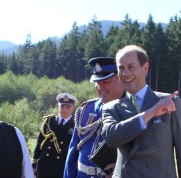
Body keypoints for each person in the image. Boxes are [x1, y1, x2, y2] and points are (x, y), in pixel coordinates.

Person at [101, 45, 181, 178]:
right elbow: (112, 139)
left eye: (131, 67)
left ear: (145, 68)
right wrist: (151, 112)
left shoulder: (170, 101)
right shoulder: (111, 108)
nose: (125, 74)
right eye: (121, 68)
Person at [64, 57, 125, 178]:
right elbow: (72, 154)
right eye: (97, 83)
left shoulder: (132, 111)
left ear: (120, 80)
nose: (100, 87)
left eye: (106, 82)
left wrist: (121, 169)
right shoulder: (86, 110)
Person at [32, 92, 78, 178]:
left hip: (61, 168)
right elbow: (39, 144)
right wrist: (34, 164)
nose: (64, 109)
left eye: (68, 107)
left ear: (73, 108)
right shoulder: (49, 121)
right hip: (44, 166)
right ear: (58, 106)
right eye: (62, 106)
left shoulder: (76, 125)